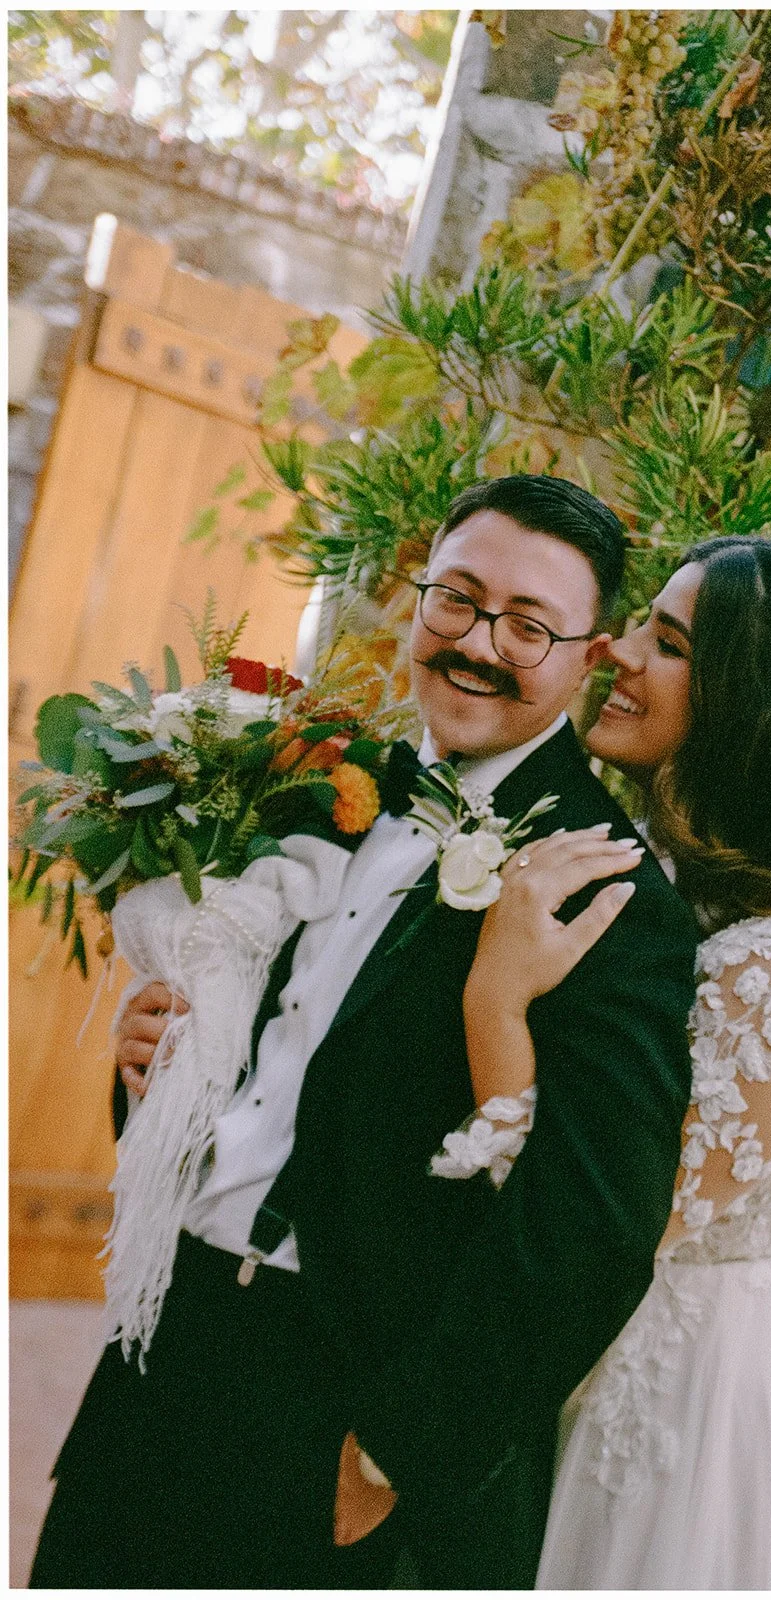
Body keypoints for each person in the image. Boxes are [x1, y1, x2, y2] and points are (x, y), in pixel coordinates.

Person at [30, 475, 700, 1590]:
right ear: (416, 602)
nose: (479, 642)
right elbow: (263, 1075)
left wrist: (397, 1453)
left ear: (587, 659)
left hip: (347, 1408)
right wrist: (153, 1064)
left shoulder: (607, 897)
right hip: (168, 1347)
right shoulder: (307, 790)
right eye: (458, 598)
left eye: (528, 625)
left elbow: (588, 1232)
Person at [439, 536, 771, 1589]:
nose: (612, 651)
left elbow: (594, 1215)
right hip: (598, 1358)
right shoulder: (684, 885)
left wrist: (496, 998)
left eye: (663, 642)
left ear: (754, 701)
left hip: (675, 1405)